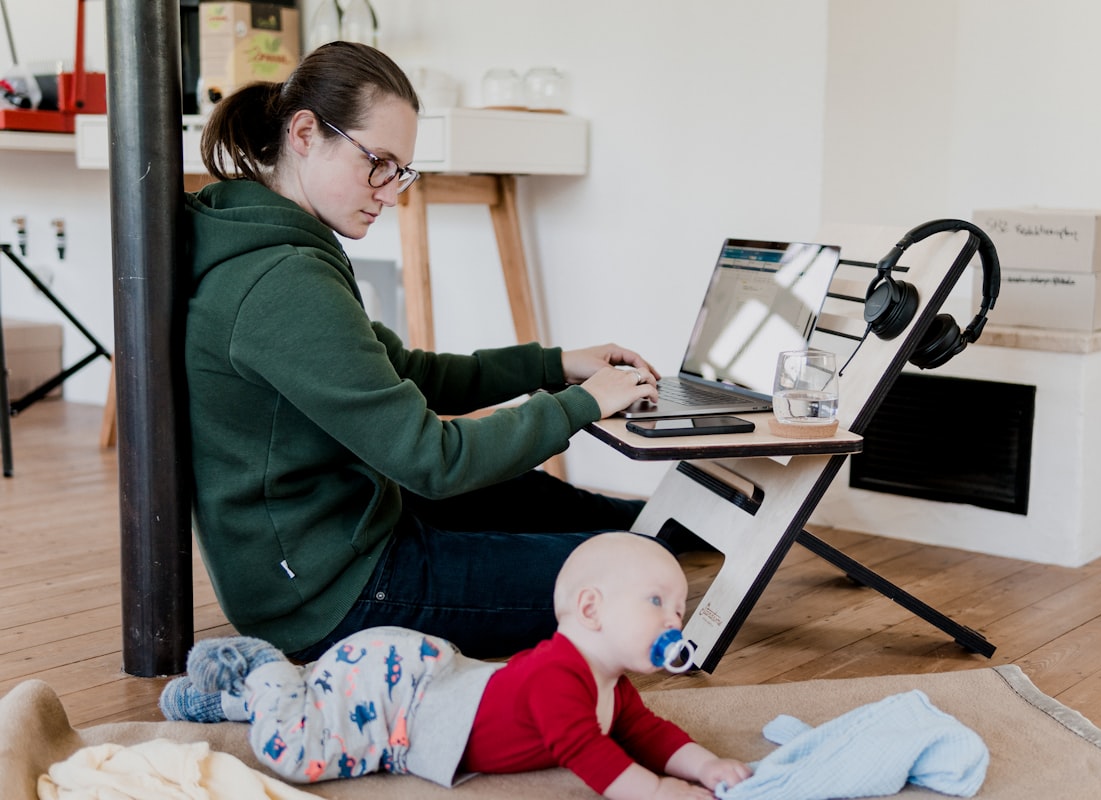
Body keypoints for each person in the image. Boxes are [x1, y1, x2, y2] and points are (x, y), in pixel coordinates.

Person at [183, 40, 662, 665]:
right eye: (377, 162)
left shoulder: (269, 241)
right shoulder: (283, 281)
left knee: (556, 506)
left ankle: (665, 528)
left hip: (347, 535)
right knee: (627, 575)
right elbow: (431, 460)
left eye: (400, 171)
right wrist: (582, 404)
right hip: (334, 595)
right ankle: (660, 545)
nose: (389, 190)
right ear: (304, 133)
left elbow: (406, 374)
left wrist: (554, 365)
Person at [161, 533, 750, 798]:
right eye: (657, 603)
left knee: (319, 702)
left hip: (426, 677)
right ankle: (263, 668)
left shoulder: (611, 687)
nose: (674, 619)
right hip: (400, 700)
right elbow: (586, 751)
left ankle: (224, 702)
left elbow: (647, 733)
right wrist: (654, 792)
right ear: (591, 609)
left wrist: (705, 765)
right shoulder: (557, 675)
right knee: (299, 755)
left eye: (678, 608)